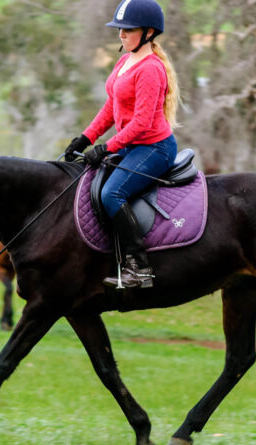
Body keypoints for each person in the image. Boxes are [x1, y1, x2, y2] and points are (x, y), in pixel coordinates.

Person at [64, 0, 180, 289]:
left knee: (111, 194)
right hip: (131, 145)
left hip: (154, 148)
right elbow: (110, 107)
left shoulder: (151, 69)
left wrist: (106, 147)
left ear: (149, 32)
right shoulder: (125, 60)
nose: (121, 34)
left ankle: (139, 268)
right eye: (120, 29)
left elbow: (141, 123)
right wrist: (86, 138)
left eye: (128, 30)